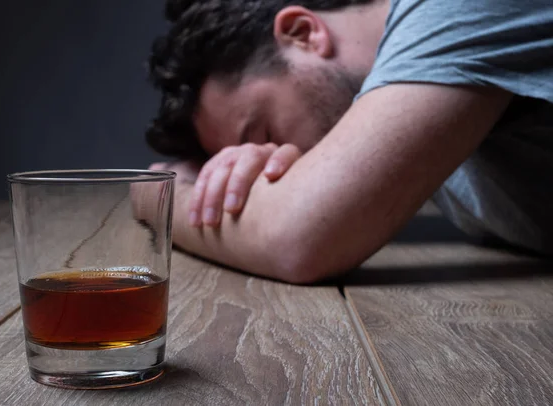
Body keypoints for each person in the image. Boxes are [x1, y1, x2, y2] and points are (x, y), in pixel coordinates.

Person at [133, 0, 553, 284]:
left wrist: (163, 198)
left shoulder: (453, 11)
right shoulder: (435, 117)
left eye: (263, 134)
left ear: (302, 32)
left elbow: (299, 237)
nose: (264, 160)